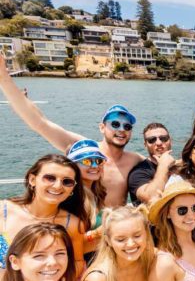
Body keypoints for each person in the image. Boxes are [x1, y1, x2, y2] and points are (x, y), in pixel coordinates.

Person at [0, 53, 142, 207]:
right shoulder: (83, 148)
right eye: (115, 124)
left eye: (127, 126)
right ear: (102, 127)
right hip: (79, 224)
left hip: (114, 226)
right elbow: (40, 123)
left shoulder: (135, 160)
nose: (121, 130)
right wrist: (3, 77)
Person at [1, 155, 87, 281]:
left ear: (72, 188)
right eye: (50, 178)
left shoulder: (72, 224)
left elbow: (78, 262)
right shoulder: (3, 211)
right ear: (32, 180)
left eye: (67, 181)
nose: (58, 186)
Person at [66, 139, 108, 255]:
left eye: (99, 160)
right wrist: (97, 233)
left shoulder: (96, 191)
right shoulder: (74, 198)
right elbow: (69, 245)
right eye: (87, 161)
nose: (95, 166)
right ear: (73, 166)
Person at [127, 123, 174, 206]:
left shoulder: (180, 168)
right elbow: (151, 198)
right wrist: (163, 166)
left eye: (163, 138)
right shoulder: (138, 173)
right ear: (145, 145)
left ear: (171, 141)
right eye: (152, 140)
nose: (159, 143)